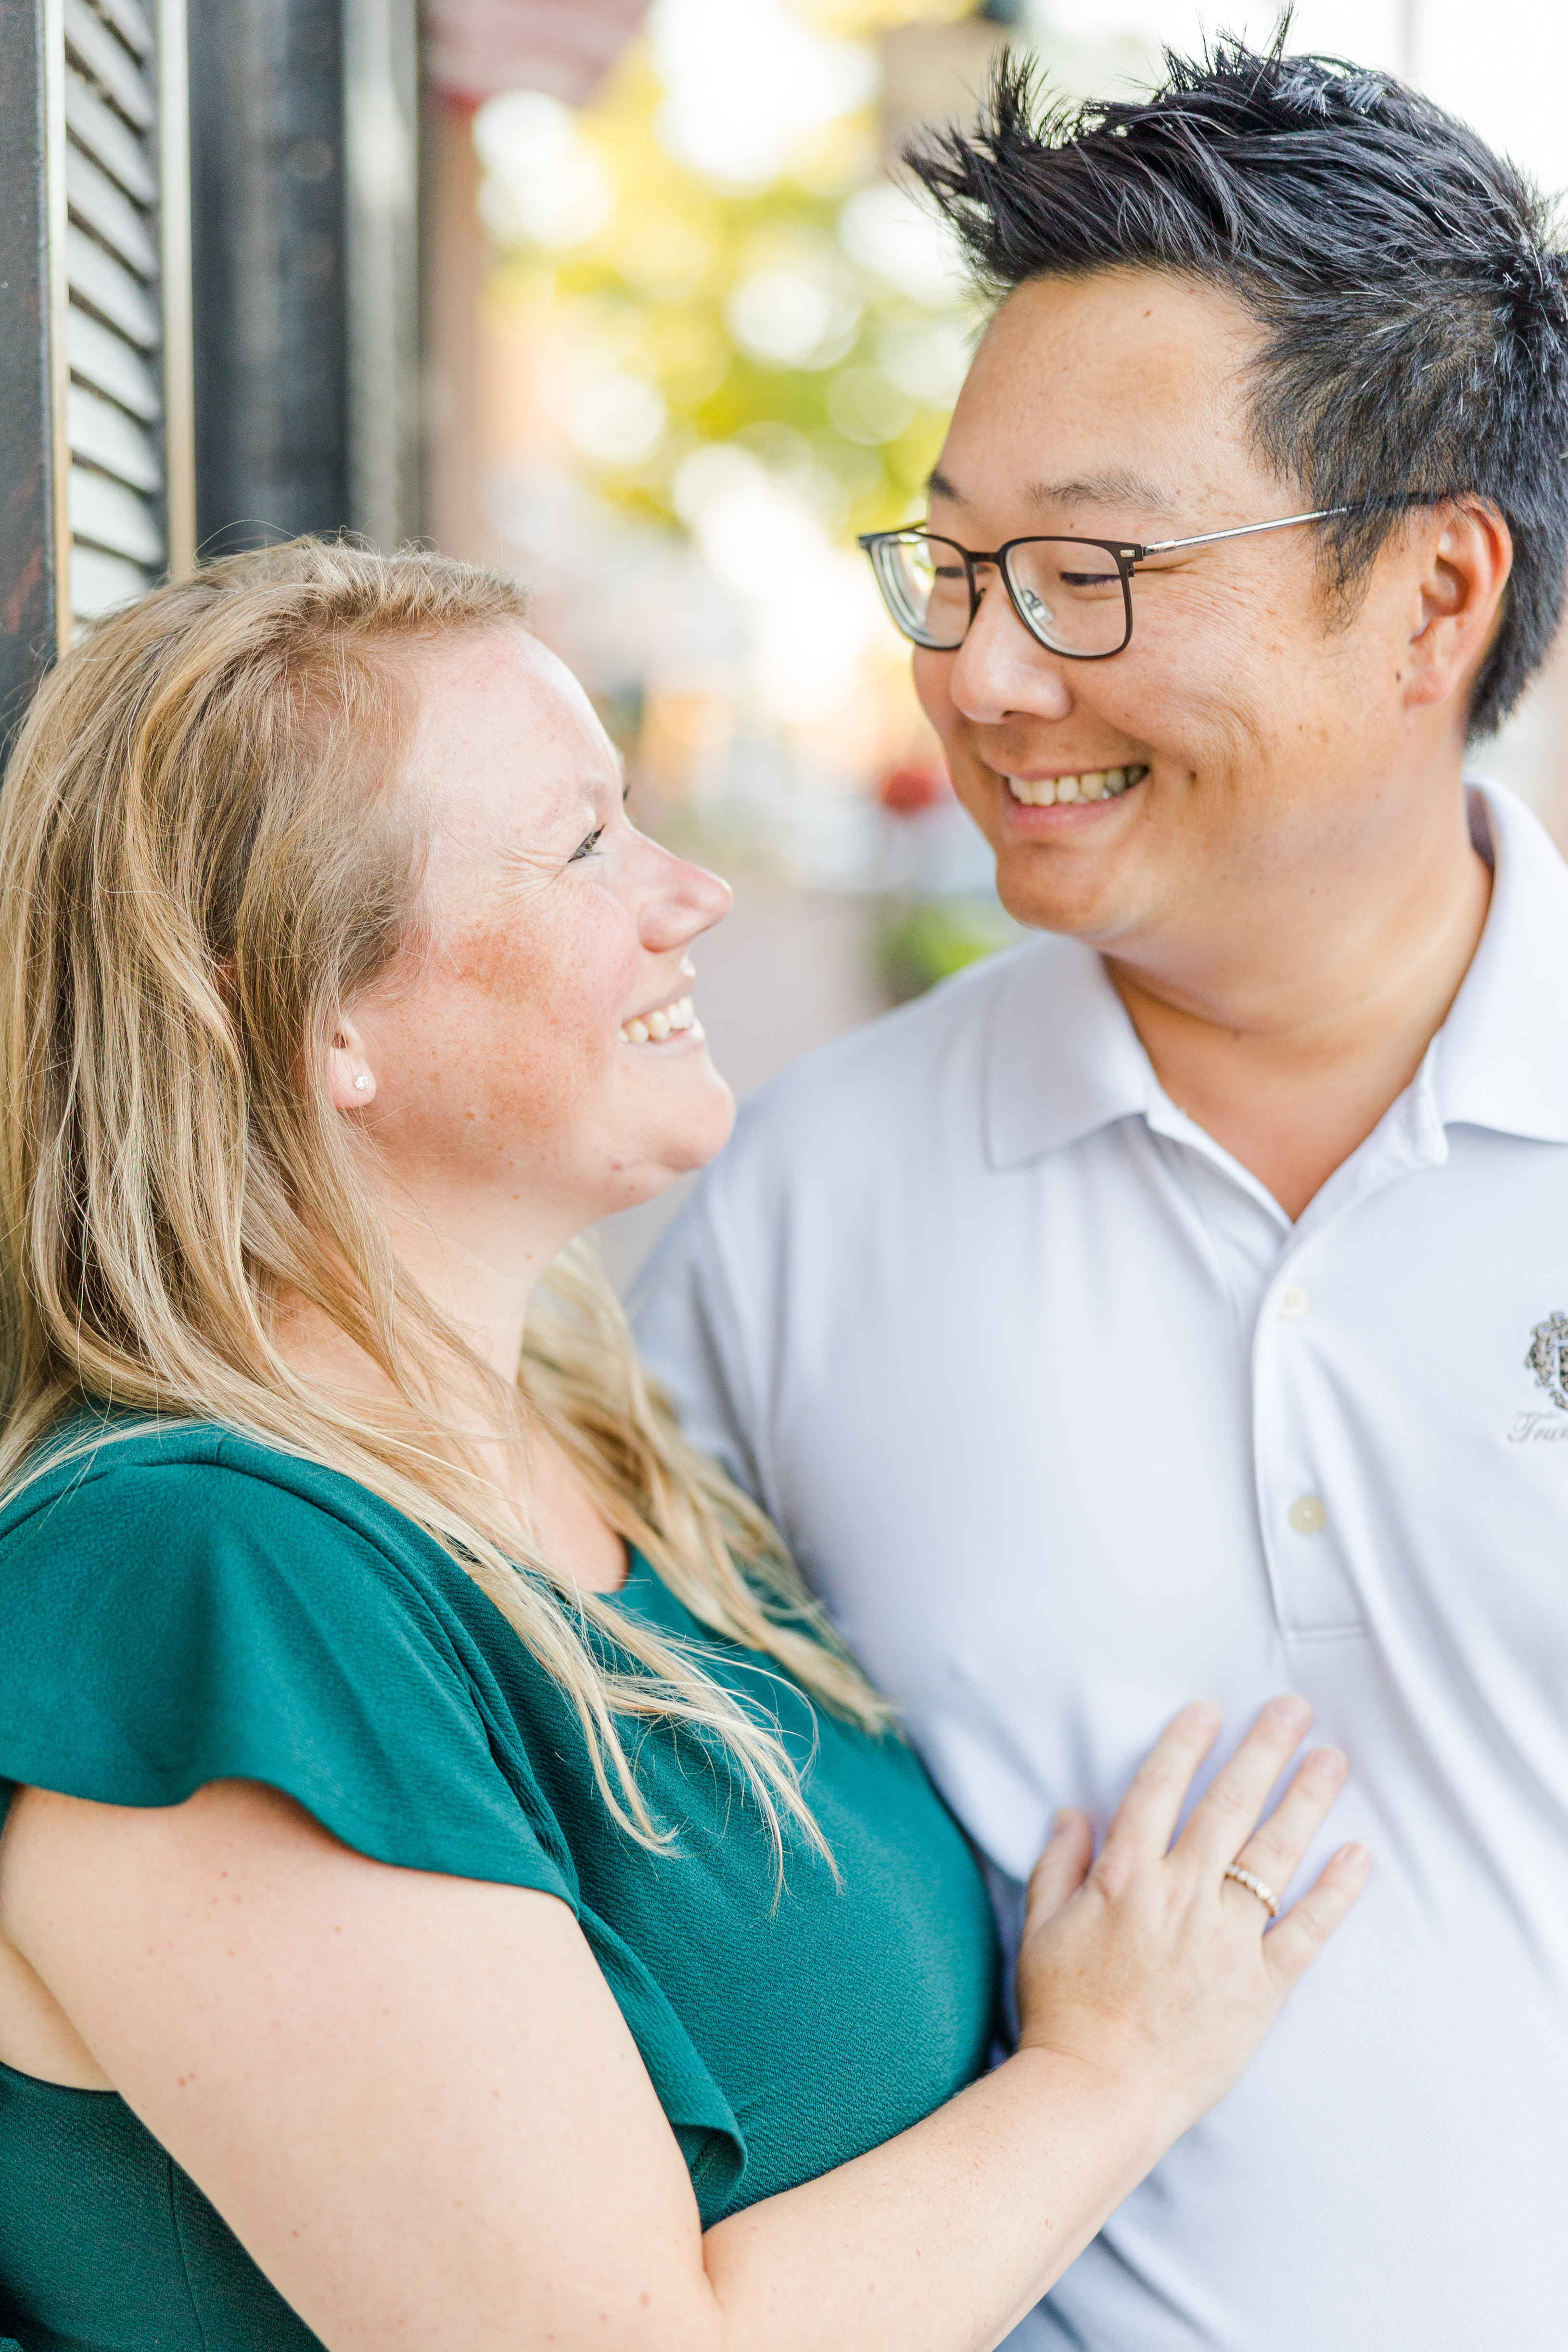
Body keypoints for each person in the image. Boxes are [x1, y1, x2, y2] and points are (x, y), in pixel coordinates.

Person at [0, 541, 1361, 2350]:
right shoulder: (205, 1581)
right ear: (300, 1009)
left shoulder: (585, 1448)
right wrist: (1112, 2068)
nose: (692, 891)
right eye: (581, 847)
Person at [634, 39, 1568, 2352]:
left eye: (1085, 569)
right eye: (951, 562)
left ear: (1432, 588)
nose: (974, 669)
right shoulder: (794, 1209)